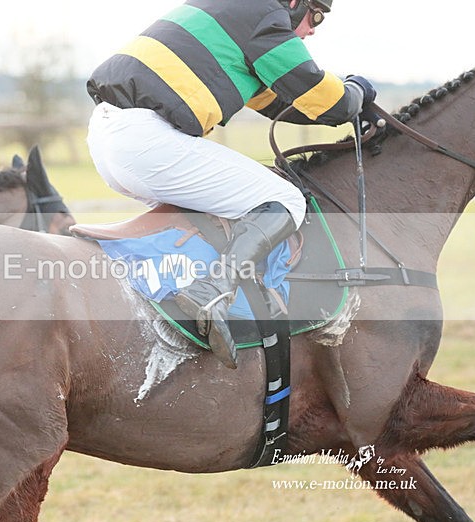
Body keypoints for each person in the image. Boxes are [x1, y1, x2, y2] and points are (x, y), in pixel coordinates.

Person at [86, 0, 377, 366]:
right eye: (315, 15)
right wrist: (357, 93)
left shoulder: (234, 16)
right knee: (285, 198)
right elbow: (318, 91)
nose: (313, 28)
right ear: (294, 2)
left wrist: (343, 107)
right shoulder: (264, 17)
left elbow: (285, 102)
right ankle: (211, 291)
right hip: (146, 141)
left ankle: (237, 297)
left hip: (107, 138)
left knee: (227, 211)